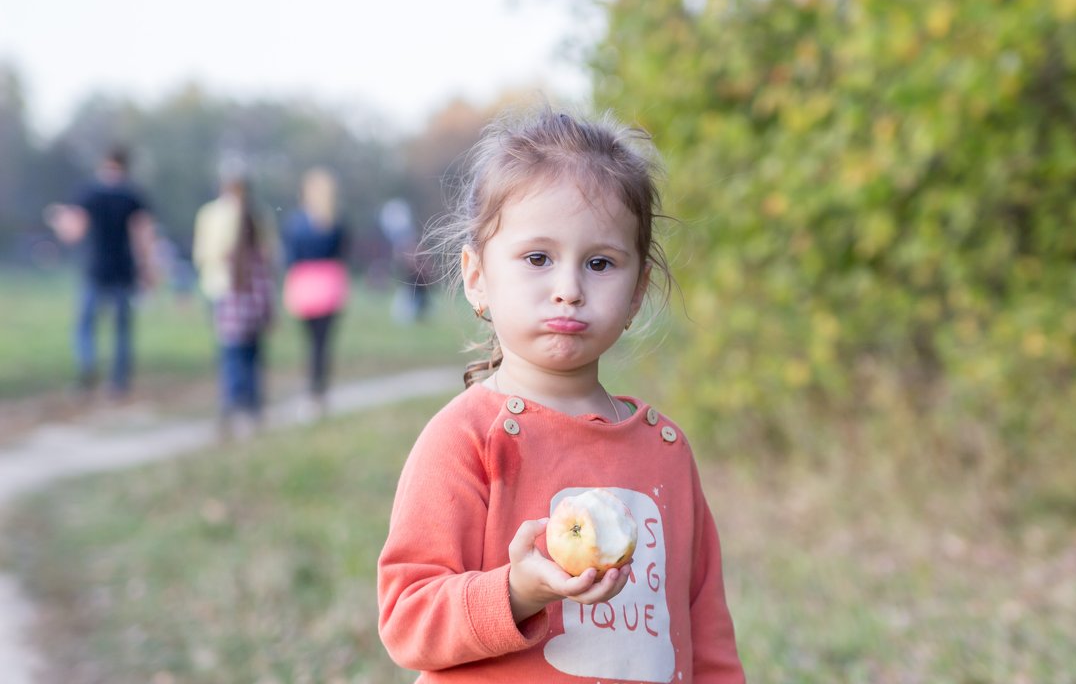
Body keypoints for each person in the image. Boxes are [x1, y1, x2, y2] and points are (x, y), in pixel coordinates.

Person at [377, 109, 745, 682]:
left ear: (636, 292)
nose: (568, 290)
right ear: (477, 277)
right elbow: (407, 615)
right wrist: (514, 593)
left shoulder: (667, 451)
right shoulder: (467, 439)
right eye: (538, 258)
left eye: (600, 263)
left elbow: (707, 634)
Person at [44, 144, 156, 399]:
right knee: (122, 330)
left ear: (103, 163)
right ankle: (118, 383)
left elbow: (73, 232)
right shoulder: (133, 195)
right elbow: (144, 236)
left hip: (94, 270)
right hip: (123, 272)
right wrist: (147, 270)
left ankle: (87, 371)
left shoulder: (88, 193)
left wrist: (57, 219)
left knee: (86, 326)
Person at [193, 157, 278, 428]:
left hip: (222, 291)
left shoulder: (210, 214)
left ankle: (233, 401)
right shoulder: (259, 214)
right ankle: (251, 403)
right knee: (252, 352)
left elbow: (202, 254)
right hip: (253, 296)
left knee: (230, 351)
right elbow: (269, 255)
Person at [281, 167, 350, 419]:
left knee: (311, 344)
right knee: (322, 344)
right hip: (329, 285)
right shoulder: (336, 222)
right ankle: (318, 391)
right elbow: (342, 254)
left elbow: (290, 258)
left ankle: (313, 391)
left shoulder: (296, 222)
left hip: (305, 286)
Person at [212, 196, 275, 438]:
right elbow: (262, 291)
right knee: (251, 366)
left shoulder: (230, 257)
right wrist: (267, 316)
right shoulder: (258, 258)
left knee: (231, 367)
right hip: (250, 323)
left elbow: (223, 292)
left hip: (230, 323)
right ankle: (251, 409)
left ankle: (232, 406)